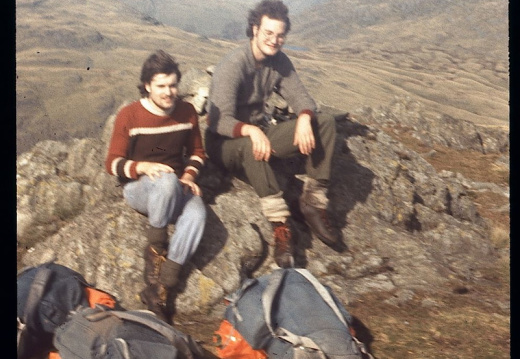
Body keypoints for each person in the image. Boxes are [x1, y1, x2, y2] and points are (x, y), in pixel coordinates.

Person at [205, 0, 341, 269]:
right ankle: (281, 226)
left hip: (259, 132)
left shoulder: (278, 61)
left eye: (280, 35)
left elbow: (301, 96)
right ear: (255, 29)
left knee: (323, 123)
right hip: (225, 144)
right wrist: (250, 130)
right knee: (251, 147)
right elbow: (216, 121)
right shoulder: (234, 64)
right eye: (268, 33)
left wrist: (304, 116)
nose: (274, 40)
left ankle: (313, 202)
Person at [105, 50, 207, 323]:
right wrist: (143, 168)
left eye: (173, 85)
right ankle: (156, 247)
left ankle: (160, 289)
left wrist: (188, 176)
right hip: (140, 189)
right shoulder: (130, 115)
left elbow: (197, 152)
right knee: (165, 180)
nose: (168, 92)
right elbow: (112, 163)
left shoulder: (186, 113)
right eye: (161, 86)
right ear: (147, 86)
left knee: (197, 214)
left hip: (174, 185)